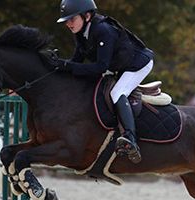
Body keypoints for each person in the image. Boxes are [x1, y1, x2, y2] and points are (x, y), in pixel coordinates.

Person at [53, 0, 154, 164]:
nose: (68, 24)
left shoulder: (103, 30)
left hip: (139, 63)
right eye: (66, 21)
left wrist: (67, 66)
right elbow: (76, 61)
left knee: (117, 92)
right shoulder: (81, 32)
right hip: (120, 65)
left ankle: (130, 139)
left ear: (87, 15)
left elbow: (100, 67)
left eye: (72, 19)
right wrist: (58, 67)